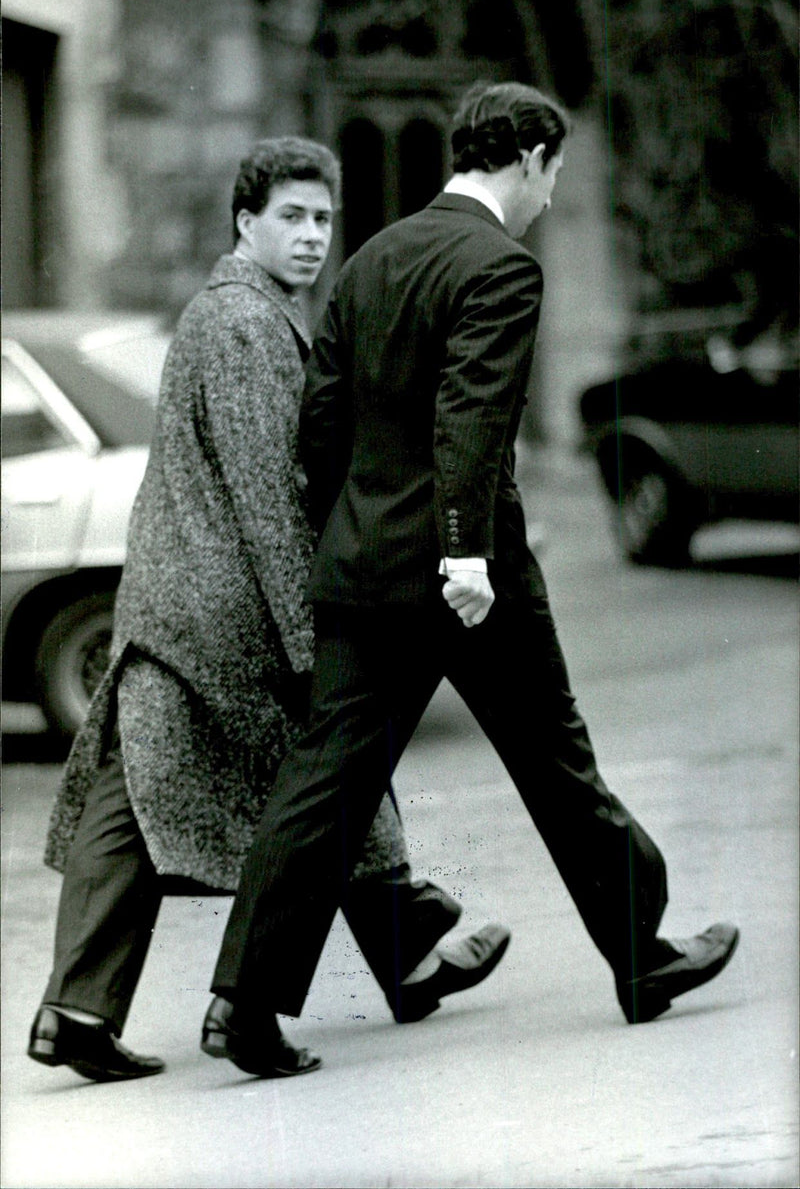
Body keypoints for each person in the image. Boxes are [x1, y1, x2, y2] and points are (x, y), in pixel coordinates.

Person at [204, 82, 740, 1077]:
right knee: (554, 760)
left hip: (365, 564)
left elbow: (321, 425)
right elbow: (471, 416)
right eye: (554, 171)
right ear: (531, 157)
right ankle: (640, 954)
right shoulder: (499, 265)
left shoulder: (368, 262)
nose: (550, 191)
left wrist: (351, 534)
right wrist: (460, 552)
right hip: (467, 575)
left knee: (326, 780)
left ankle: (243, 1004)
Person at [27, 137, 511, 1085]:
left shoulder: (229, 313)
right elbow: (266, 493)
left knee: (141, 801)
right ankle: (400, 945)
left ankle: (77, 1012)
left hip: (174, 604)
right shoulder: (246, 323)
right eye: (290, 217)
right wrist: (309, 632)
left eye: (323, 219)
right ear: (245, 224)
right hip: (222, 612)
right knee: (327, 764)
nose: (312, 237)